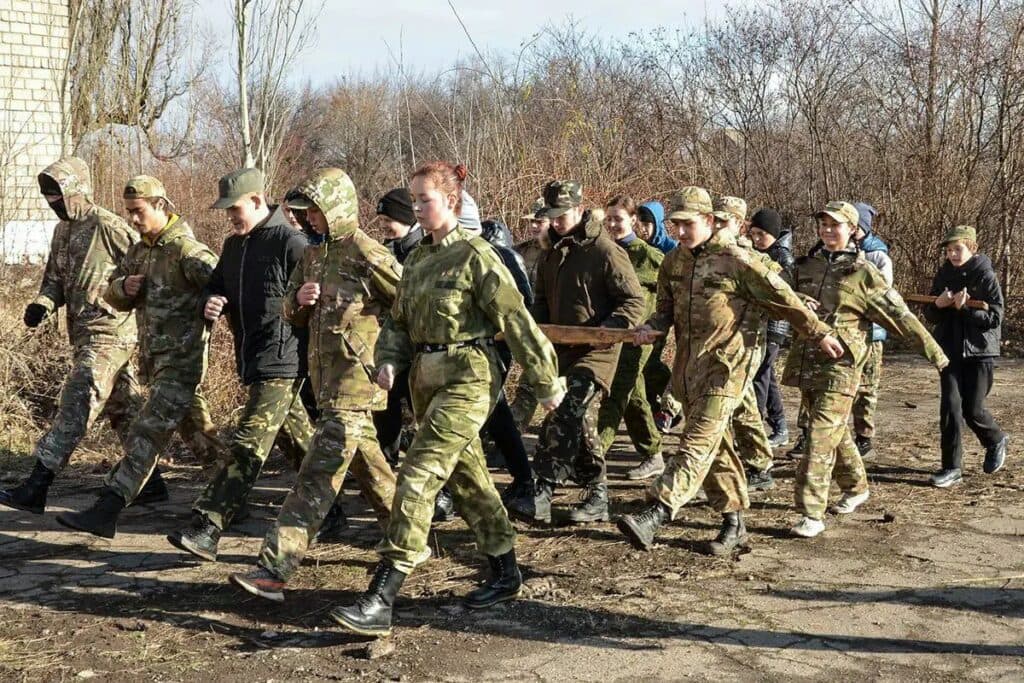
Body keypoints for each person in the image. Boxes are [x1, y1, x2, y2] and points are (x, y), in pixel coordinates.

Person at [328, 161, 564, 637]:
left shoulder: (477, 256)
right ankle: (505, 571)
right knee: (469, 478)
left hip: (470, 377)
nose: (416, 208)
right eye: (413, 200)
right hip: (425, 381)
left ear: (451, 202)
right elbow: (397, 321)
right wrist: (389, 359)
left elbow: (516, 321)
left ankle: (383, 593)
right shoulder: (415, 260)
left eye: (425, 199)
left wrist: (545, 383)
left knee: (417, 473)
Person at [616, 187, 838, 555]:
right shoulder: (675, 262)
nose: (681, 232)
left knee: (696, 442)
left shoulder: (738, 259)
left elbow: (784, 298)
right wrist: (651, 327)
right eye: (677, 224)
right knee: (715, 448)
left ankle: (656, 512)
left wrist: (819, 332)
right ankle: (734, 524)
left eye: (688, 224)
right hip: (690, 369)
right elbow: (664, 311)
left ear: (708, 220)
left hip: (729, 368)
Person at [229, 168, 400, 601]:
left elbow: (411, 306)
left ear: (337, 209)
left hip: (359, 381)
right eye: (305, 214)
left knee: (316, 476)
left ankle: (275, 567)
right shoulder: (313, 255)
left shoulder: (370, 254)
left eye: (316, 213)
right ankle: (408, 538)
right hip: (326, 383)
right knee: (372, 470)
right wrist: (297, 302)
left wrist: (393, 358)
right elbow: (291, 312)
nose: (310, 221)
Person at [0, 158, 170, 514]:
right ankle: (150, 482)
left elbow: (148, 265)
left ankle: (36, 485)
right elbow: (55, 281)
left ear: (76, 190)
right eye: (47, 195)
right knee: (124, 409)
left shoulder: (108, 225)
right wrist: (43, 304)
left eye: (58, 194)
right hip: (81, 334)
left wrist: (136, 300)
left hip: (112, 332)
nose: (52, 202)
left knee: (79, 397)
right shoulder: (62, 231)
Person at [55, 176, 220, 538]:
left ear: (160, 205)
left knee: (147, 432)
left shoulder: (187, 251)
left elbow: (224, 285)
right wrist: (122, 288)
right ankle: (228, 498)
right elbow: (113, 293)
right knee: (199, 435)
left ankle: (107, 509)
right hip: (155, 362)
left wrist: (214, 303)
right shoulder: (140, 251)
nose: (132, 219)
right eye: (128, 212)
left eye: (138, 212)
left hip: (182, 360)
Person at [166, 168, 317, 562]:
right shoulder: (234, 247)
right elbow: (216, 287)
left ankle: (208, 525)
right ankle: (329, 508)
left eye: (234, 208)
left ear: (256, 200)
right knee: (298, 439)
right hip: (252, 356)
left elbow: (316, 296)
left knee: (249, 442)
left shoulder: (292, 241)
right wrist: (213, 302)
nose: (230, 217)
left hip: (284, 357)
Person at [783, 201, 948, 538]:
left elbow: (902, 317)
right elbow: (773, 291)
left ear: (852, 230)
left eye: (836, 225)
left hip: (842, 367)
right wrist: (796, 297)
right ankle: (857, 487)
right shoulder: (805, 267)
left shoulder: (863, 274)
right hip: (807, 363)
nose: (828, 231)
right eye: (824, 224)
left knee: (818, 437)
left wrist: (938, 356)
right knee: (835, 431)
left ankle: (811, 513)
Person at [522, 180, 646, 525]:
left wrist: (608, 329)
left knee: (567, 409)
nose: (557, 222)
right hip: (560, 352)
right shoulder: (550, 253)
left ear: (579, 209)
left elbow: (634, 301)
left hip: (598, 353)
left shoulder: (604, 250)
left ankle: (542, 489)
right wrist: (536, 336)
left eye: (563, 215)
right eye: (552, 216)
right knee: (581, 422)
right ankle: (597, 495)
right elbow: (542, 303)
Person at [924, 225, 1008, 487]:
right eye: (948, 250)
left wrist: (965, 310)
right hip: (949, 350)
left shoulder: (985, 275)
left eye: (957, 249)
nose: (952, 254)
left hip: (980, 350)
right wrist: (937, 305)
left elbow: (995, 317)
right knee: (950, 407)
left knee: (973, 409)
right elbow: (931, 314)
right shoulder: (944, 273)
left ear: (972, 248)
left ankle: (995, 440)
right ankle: (951, 467)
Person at [711, 196, 779, 492]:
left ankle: (753, 468)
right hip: (717, 344)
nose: (717, 226)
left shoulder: (756, 259)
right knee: (743, 406)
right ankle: (758, 465)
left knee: (736, 406)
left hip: (746, 343)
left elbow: (780, 296)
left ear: (740, 224)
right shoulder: (710, 255)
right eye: (714, 220)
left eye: (724, 221)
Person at [595, 196, 665, 481]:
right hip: (612, 332)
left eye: (619, 219)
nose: (612, 224)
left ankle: (595, 452)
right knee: (633, 394)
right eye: (609, 219)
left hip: (640, 336)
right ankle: (653, 453)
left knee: (618, 390)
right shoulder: (604, 252)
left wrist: (657, 325)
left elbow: (670, 292)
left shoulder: (648, 256)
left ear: (633, 220)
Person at [374, 188, 421, 468]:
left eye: (387, 220)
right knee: (386, 407)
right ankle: (386, 462)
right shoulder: (387, 248)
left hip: (417, 345)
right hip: (392, 343)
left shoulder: (420, 250)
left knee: (420, 411)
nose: (383, 227)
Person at [748, 208, 795, 448]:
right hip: (757, 323)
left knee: (760, 373)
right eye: (753, 233)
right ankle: (780, 426)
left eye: (761, 234)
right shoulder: (753, 253)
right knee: (768, 375)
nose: (756, 239)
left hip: (775, 325)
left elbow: (788, 295)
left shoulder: (782, 258)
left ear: (773, 234)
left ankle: (753, 425)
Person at [850, 202, 892, 459]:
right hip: (844, 331)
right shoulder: (836, 249)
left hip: (872, 332)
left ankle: (864, 436)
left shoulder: (877, 256)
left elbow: (884, 294)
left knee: (867, 386)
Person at [509, 197, 549, 430]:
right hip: (526, 326)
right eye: (532, 221)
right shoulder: (520, 251)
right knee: (533, 384)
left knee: (532, 384)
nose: (534, 226)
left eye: (540, 221)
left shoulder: (559, 250)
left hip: (553, 327)